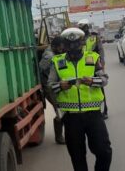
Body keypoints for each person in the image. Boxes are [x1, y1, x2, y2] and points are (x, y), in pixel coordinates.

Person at [48, 28, 112, 171]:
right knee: (77, 157)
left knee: (104, 151)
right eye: (69, 45)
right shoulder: (57, 62)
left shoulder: (93, 58)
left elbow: (104, 80)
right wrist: (61, 85)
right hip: (71, 117)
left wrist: (92, 81)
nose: (73, 48)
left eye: (76, 44)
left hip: (93, 114)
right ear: (64, 45)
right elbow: (50, 86)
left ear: (82, 43)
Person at [77, 19, 108, 119]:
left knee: (99, 87)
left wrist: (102, 64)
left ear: (87, 27)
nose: (84, 29)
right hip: (84, 67)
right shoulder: (78, 38)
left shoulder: (94, 37)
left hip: (94, 65)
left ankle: (104, 111)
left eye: (85, 26)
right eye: (81, 27)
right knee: (83, 87)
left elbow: (100, 51)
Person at [38, 36, 66, 144]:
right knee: (60, 109)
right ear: (55, 46)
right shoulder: (49, 56)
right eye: (60, 48)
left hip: (56, 85)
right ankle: (59, 137)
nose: (62, 49)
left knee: (62, 109)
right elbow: (40, 68)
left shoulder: (55, 52)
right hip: (49, 87)